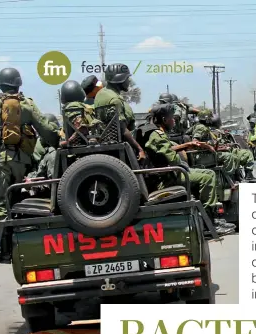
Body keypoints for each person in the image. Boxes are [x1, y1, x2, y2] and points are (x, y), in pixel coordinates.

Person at [0, 68, 61, 259]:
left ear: (0, 84)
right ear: (18, 84)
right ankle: (20, 243)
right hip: (22, 162)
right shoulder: (27, 104)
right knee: (17, 201)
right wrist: (60, 144)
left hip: (0, 163)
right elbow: (45, 128)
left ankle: (3, 247)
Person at [141, 104, 234, 234]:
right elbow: (172, 158)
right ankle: (210, 222)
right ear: (164, 119)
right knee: (208, 176)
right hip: (166, 179)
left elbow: (168, 150)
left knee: (207, 173)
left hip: (170, 173)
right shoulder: (157, 135)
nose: (174, 121)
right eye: (172, 118)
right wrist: (183, 156)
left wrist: (188, 145)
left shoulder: (157, 133)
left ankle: (210, 218)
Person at [93, 63, 146, 161]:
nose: (129, 81)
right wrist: (139, 149)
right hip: (120, 144)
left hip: (106, 140)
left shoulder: (100, 94)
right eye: (127, 78)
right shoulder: (115, 99)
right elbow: (123, 130)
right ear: (120, 80)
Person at [61, 80, 104, 146]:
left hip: (82, 143)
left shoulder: (75, 106)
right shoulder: (74, 106)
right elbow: (80, 126)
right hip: (84, 142)